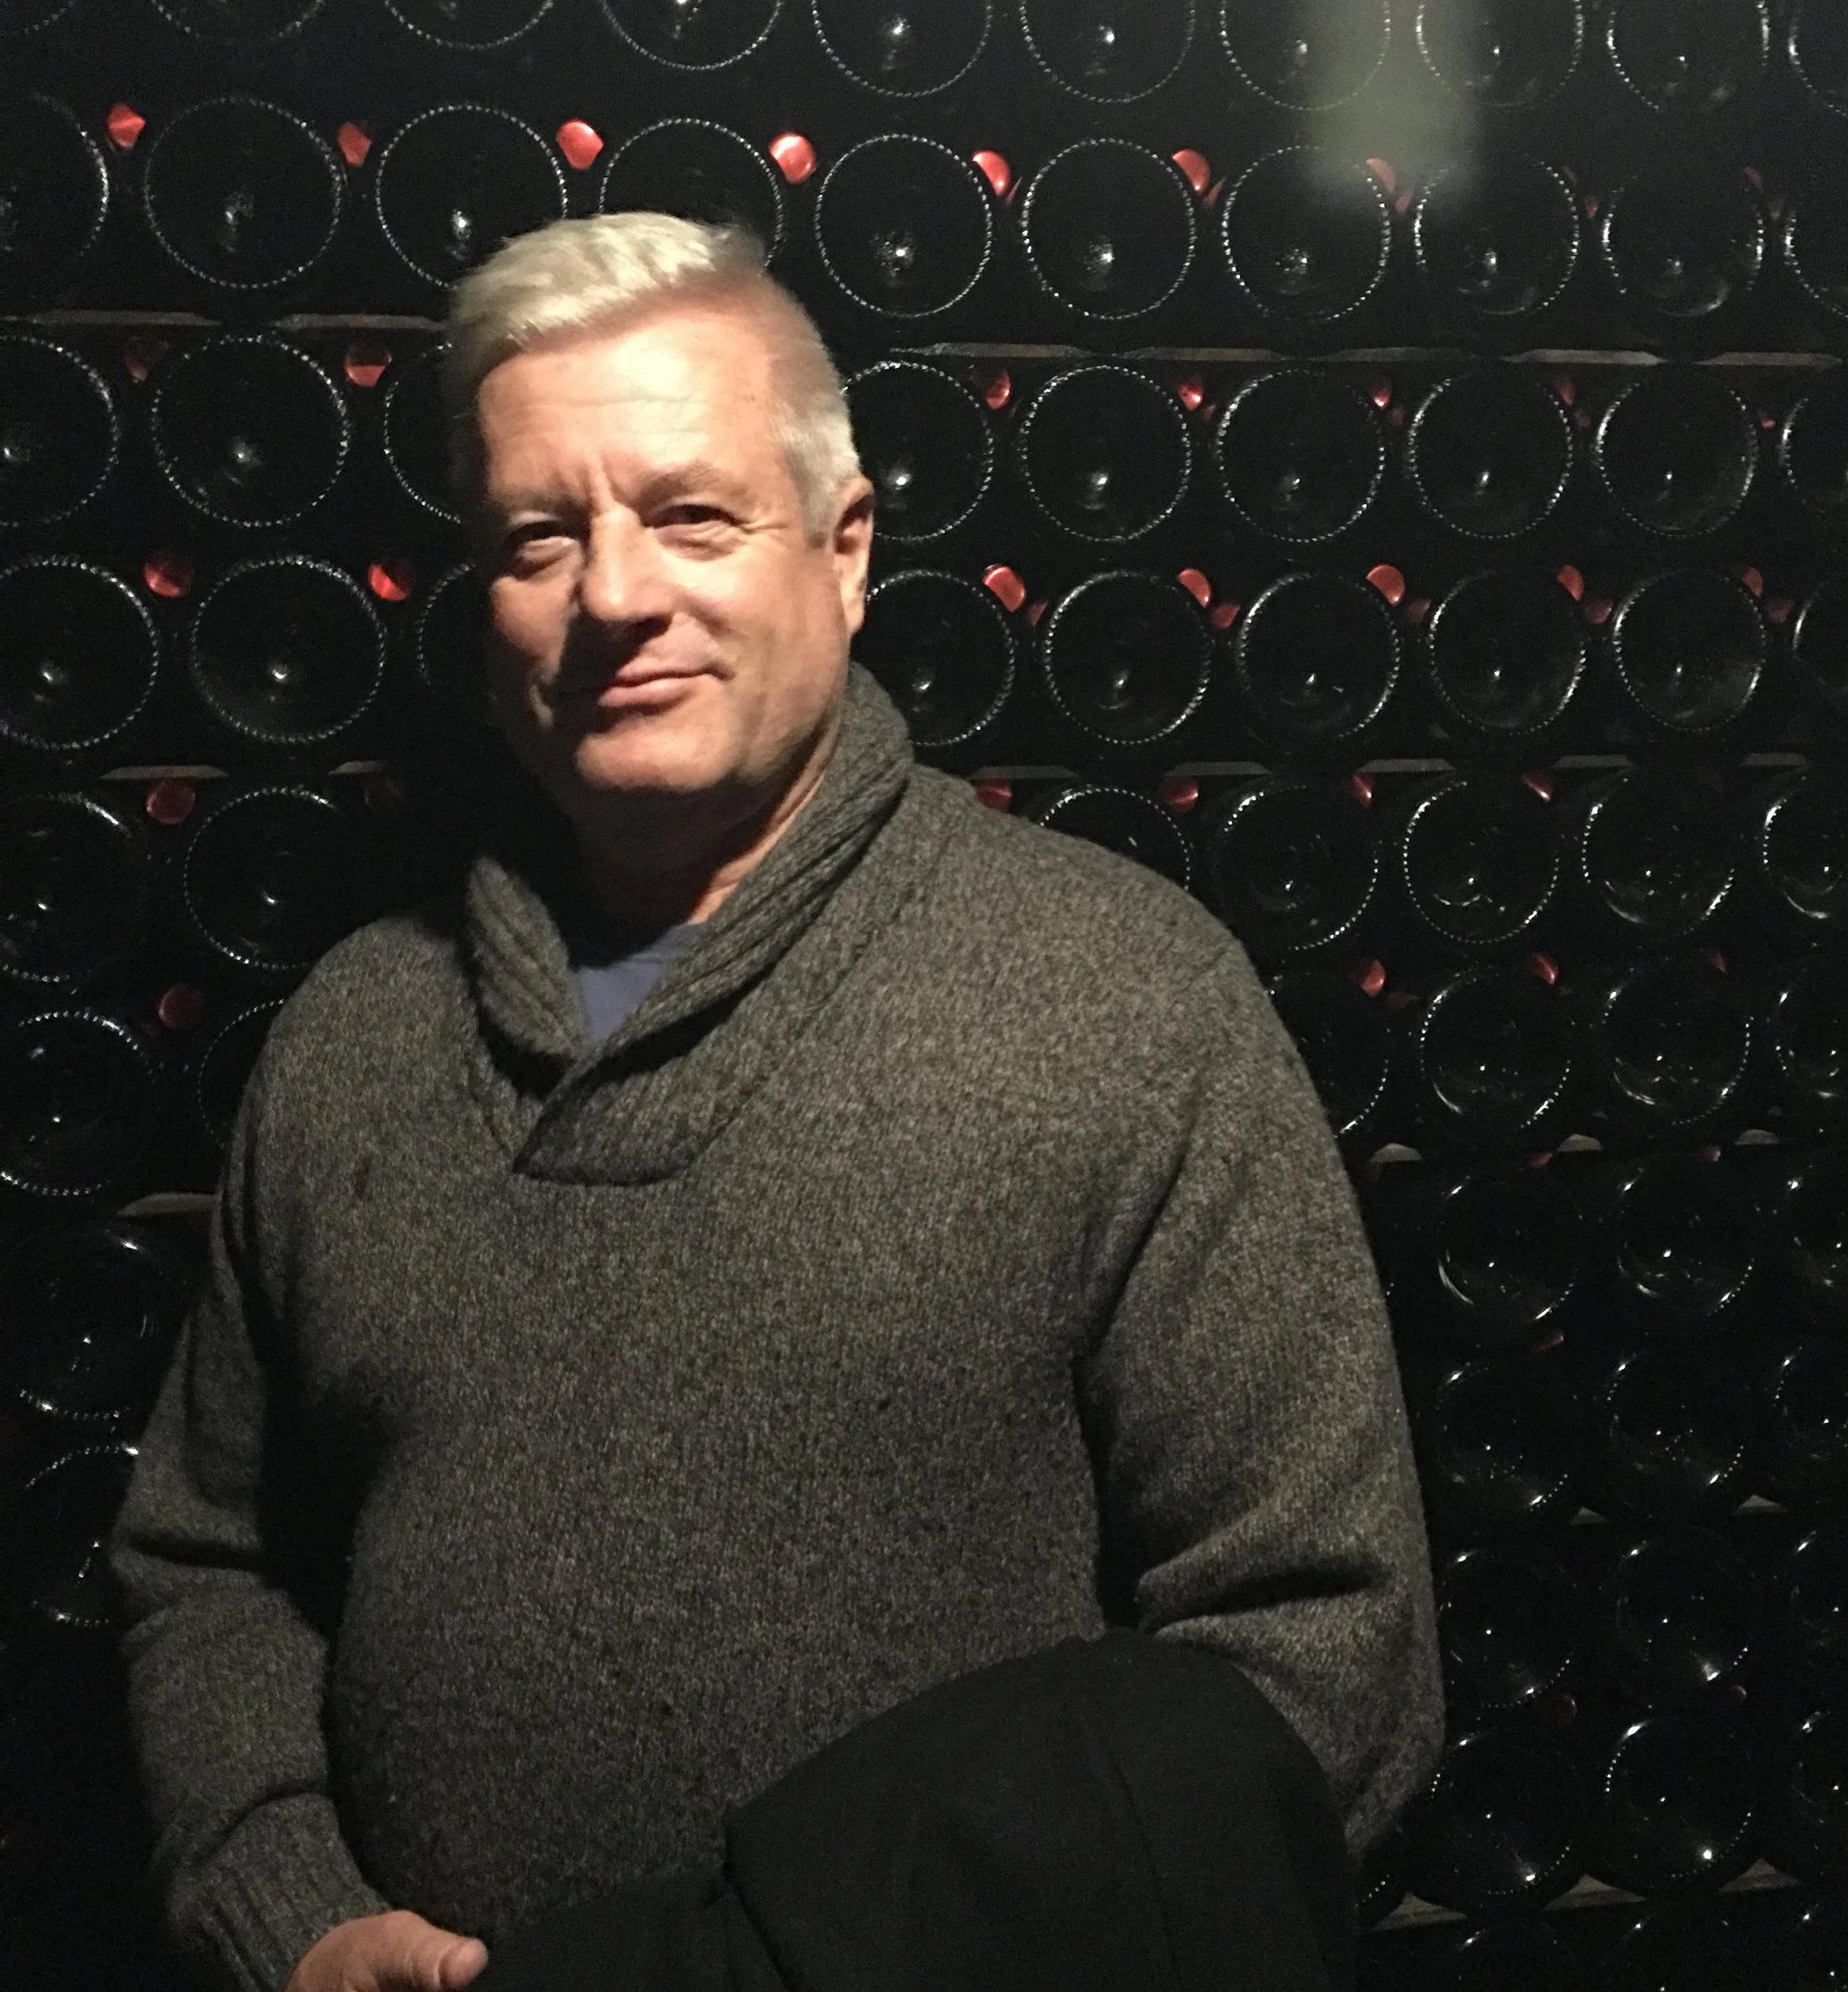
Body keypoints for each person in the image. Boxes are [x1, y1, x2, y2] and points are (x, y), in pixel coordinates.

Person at [109, 211, 1442, 1992]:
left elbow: (1322, 1664)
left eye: (688, 513)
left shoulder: (1117, 1004)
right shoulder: (355, 1035)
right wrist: (293, 1910)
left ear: (843, 546)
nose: (611, 594)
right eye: (537, 535)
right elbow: (207, 1561)